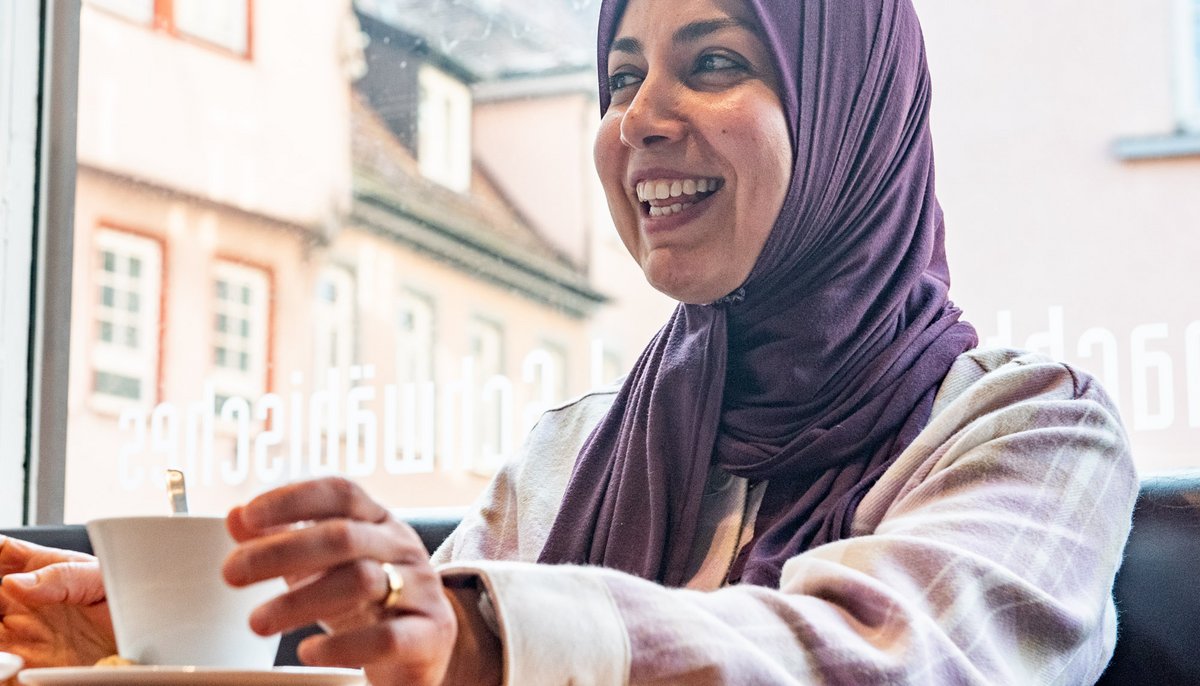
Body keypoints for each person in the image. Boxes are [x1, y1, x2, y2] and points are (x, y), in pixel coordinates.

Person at [0, 0, 1136, 683]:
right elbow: (422, 653)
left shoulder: (1035, 428)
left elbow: (887, 660)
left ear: (854, 114)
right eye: (622, 76)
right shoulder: (570, 451)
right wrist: (191, 638)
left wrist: (488, 642)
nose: (639, 117)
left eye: (716, 61)